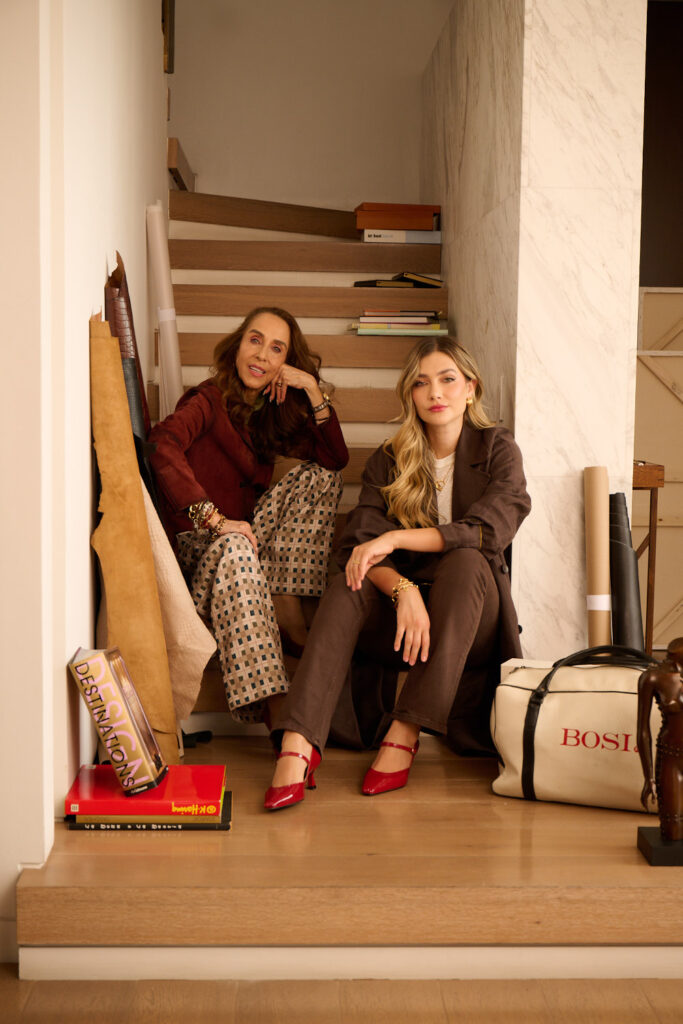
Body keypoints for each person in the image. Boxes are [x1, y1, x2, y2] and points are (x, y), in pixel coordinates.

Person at [264, 335, 531, 810]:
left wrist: (397, 539)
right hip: (402, 621)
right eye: (422, 383)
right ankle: (298, 742)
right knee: (349, 582)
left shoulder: (497, 448)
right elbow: (357, 544)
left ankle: (405, 730)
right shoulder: (390, 458)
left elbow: (485, 531)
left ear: (471, 388)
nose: (436, 393)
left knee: (466, 559)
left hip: (471, 618)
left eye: (448, 380)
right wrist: (403, 589)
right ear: (410, 394)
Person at [149, 306, 348, 726]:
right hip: (198, 552)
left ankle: (284, 602)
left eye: (276, 349)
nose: (261, 354)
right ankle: (276, 707)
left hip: (242, 545)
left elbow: (334, 458)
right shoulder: (208, 399)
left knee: (320, 478)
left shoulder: (269, 411)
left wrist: (312, 389)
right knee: (237, 545)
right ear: (237, 346)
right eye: (255, 340)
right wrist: (212, 519)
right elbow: (161, 444)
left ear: (286, 364)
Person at [638, 637, 683, 841]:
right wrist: (649, 777)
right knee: (672, 832)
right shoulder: (653, 677)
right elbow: (643, 730)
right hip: (671, 758)